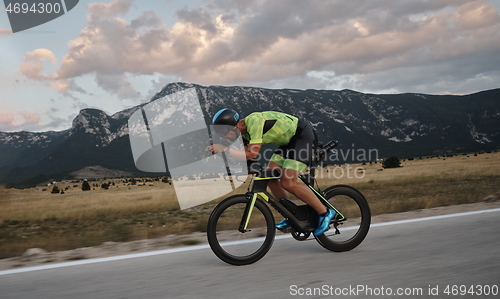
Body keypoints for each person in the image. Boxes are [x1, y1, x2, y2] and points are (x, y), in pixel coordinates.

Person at [207, 108, 336, 236]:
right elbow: (244, 156)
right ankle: (291, 214)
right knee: (269, 177)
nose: (223, 135)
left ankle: (325, 212)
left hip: (302, 137)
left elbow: (252, 153)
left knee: (288, 182)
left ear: (235, 125)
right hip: (288, 144)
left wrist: (224, 149)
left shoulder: (253, 121)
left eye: (223, 131)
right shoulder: (244, 135)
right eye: (219, 133)